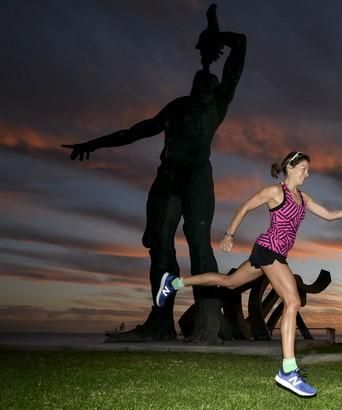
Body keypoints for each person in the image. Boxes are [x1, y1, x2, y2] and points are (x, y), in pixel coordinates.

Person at [62, 30, 246, 342]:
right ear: (192, 84)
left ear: (216, 89)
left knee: (198, 242)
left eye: (211, 81)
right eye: (201, 79)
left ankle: (207, 321)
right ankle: (160, 321)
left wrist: (219, 36)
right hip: (168, 177)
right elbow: (133, 132)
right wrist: (93, 144)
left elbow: (239, 45)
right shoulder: (175, 107)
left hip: (196, 177)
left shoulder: (217, 105)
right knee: (159, 244)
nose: (206, 79)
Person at [155, 151, 342, 397]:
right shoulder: (275, 192)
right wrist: (229, 234)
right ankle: (288, 371)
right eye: (303, 168)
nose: (307, 174)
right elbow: (246, 206)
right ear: (290, 167)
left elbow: (329, 216)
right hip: (268, 249)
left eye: (308, 170)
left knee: (228, 282)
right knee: (292, 301)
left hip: (276, 256)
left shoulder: (303, 198)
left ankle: (174, 282)